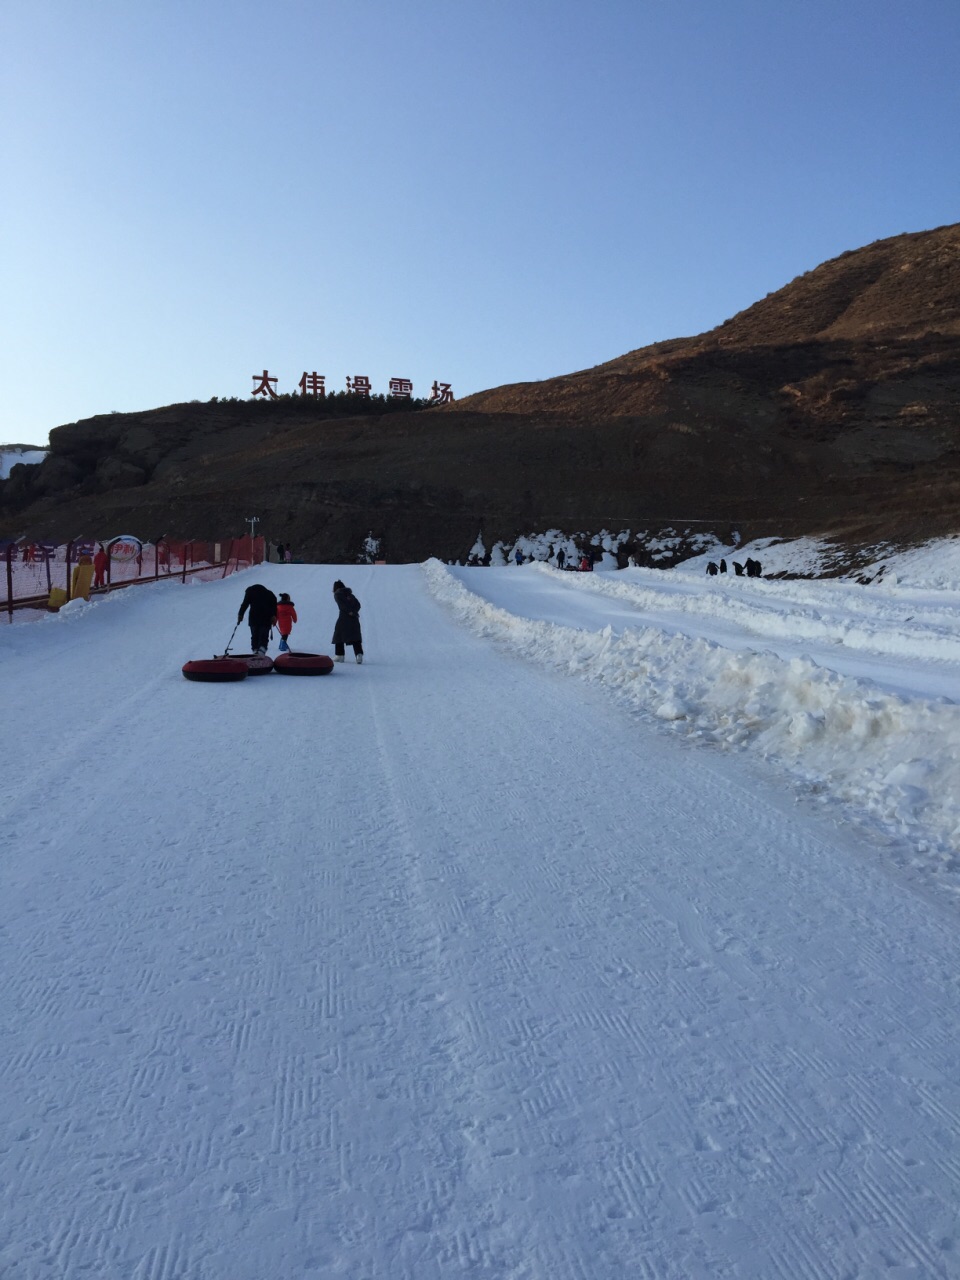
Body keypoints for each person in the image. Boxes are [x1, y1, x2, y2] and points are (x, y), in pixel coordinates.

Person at [238, 583, 278, 655]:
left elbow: (244, 604)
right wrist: (273, 616)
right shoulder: (269, 593)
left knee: (254, 635)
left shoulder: (250, 592)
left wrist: (240, 615)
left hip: (253, 618)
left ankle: (255, 650)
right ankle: (262, 650)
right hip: (266, 618)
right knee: (264, 635)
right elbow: (274, 605)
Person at [331, 579, 363, 663]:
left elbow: (342, 606)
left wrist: (350, 612)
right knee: (355, 636)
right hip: (354, 618)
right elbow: (358, 605)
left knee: (338, 635)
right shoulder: (350, 594)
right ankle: (359, 655)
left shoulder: (337, 594)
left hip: (344, 618)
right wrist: (354, 612)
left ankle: (339, 655)